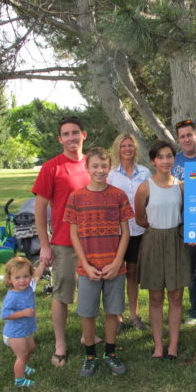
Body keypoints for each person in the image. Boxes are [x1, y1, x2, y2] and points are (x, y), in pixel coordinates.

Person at [64, 147, 133, 377]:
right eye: (95, 166)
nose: (100, 170)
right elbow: (73, 234)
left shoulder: (118, 196)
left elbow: (126, 232)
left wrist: (117, 262)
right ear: (87, 168)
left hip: (114, 267)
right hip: (88, 269)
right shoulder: (76, 197)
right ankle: (90, 355)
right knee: (88, 313)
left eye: (104, 166)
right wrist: (85, 264)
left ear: (110, 167)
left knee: (113, 312)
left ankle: (110, 353)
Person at [32, 116, 90, 367]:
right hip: (64, 242)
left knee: (90, 291)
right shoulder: (51, 167)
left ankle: (87, 335)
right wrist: (45, 245)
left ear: (83, 135)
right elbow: (39, 209)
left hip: (93, 242)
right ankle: (60, 344)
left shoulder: (93, 164)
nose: (71, 138)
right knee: (62, 294)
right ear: (60, 139)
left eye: (75, 132)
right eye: (65, 134)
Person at [134, 141, 191, 359]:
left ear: (174, 159)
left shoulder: (181, 186)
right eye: (161, 157)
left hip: (176, 241)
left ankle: (173, 345)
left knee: (176, 297)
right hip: (154, 241)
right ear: (153, 161)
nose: (165, 161)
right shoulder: (145, 188)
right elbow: (140, 218)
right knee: (156, 297)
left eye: (169, 156)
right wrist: (156, 231)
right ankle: (158, 345)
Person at [107, 133, 151, 331]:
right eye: (123, 146)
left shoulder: (145, 172)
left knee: (132, 274)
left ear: (135, 148)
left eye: (130, 145)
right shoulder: (111, 175)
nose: (127, 149)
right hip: (116, 232)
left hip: (139, 230)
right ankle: (117, 318)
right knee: (116, 273)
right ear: (118, 149)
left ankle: (134, 316)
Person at [172, 119, 196, 325]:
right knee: (193, 269)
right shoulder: (174, 160)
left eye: (189, 135)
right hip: (186, 223)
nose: (186, 139)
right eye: (182, 136)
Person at [1, 256, 46, 387]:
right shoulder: (12, 296)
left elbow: (37, 275)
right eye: (17, 278)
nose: (22, 280)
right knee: (22, 355)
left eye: (26, 276)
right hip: (14, 333)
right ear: (10, 279)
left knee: (31, 348)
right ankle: (19, 380)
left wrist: (43, 263)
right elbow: (4, 314)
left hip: (26, 329)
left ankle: (24, 366)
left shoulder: (30, 286)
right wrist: (23, 313)